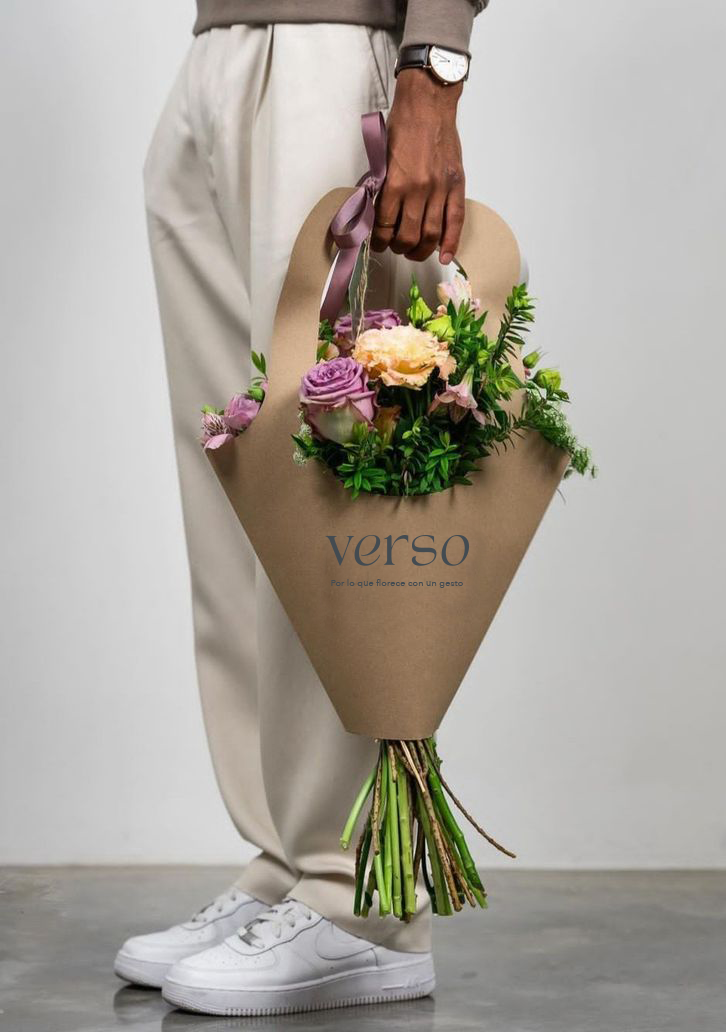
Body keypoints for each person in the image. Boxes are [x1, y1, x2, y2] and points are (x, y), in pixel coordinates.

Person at [114, 0, 486, 1016]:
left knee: (334, 464)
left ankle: (360, 898)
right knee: (235, 478)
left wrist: (433, 64)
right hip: (216, 49)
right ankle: (285, 862)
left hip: (331, 46)